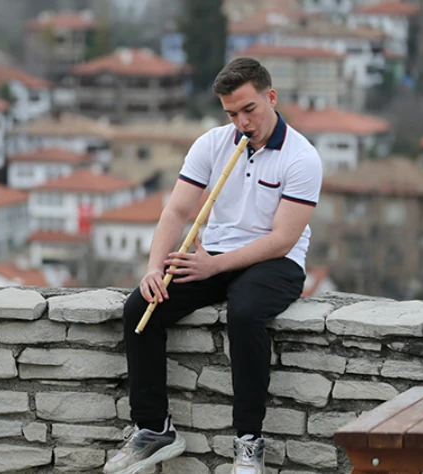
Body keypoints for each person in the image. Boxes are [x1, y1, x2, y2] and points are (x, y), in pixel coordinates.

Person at [103, 57, 322, 474]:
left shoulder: (302, 157)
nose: (242, 122)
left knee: (243, 314)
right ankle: (154, 429)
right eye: (232, 114)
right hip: (213, 256)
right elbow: (176, 211)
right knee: (140, 310)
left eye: (249, 110)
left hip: (275, 262)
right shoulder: (211, 143)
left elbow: (282, 239)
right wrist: (153, 268)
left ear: (270, 97)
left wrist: (214, 268)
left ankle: (248, 441)